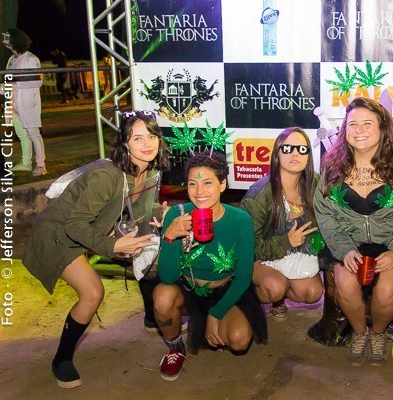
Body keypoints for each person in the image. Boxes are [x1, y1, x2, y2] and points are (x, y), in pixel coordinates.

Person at [22, 110, 170, 388]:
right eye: (138, 138)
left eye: (152, 136)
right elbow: (73, 224)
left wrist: (160, 213)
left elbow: (141, 206)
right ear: (125, 143)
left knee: (149, 248)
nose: (147, 144)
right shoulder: (107, 176)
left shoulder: (150, 170)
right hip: (60, 235)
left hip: (95, 227)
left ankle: (152, 317)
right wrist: (112, 245)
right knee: (92, 293)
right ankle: (61, 359)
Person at [314, 97, 393, 367]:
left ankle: (377, 334)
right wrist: (344, 249)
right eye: (352, 124)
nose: (359, 130)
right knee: (345, 287)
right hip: (350, 241)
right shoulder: (333, 164)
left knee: (386, 292)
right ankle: (359, 333)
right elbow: (325, 213)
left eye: (367, 123)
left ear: (382, 128)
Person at [153, 152, 267, 382]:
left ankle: (215, 319)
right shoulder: (177, 214)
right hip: (188, 290)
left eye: (208, 183)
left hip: (225, 290)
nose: (199, 191)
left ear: (222, 184)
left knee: (239, 339)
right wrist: (170, 237)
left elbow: (243, 276)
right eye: (192, 184)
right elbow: (168, 277)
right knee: (163, 296)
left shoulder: (240, 219)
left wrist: (216, 314)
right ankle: (175, 347)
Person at [241, 127, 323, 322]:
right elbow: (249, 248)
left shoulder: (314, 183)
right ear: (277, 153)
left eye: (302, 149)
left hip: (294, 255)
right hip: (261, 258)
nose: (295, 154)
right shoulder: (259, 195)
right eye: (287, 149)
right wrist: (286, 242)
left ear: (308, 155)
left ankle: (283, 284)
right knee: (275, 288)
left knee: (313, 293)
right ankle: (248, 297)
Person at [3, 28, 46, 176]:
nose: (4, 41)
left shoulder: (31, 59)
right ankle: (26, 163)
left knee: (34, 135)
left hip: (27, 104)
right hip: (14, 104)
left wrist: (16, 82)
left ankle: (41, 165)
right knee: (22, 135)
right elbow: (9, 82)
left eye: (8, 38)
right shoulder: (11, 60)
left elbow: (38, 82)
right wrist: (3, 88)